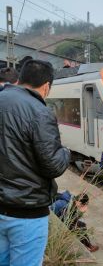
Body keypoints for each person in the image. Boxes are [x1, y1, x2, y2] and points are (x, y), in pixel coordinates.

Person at [0, 59, 71, 266]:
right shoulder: (40, 112)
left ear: (20, 78)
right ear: (47, 86)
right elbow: (53, 165)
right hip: (27, 214)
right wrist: (65, 152)